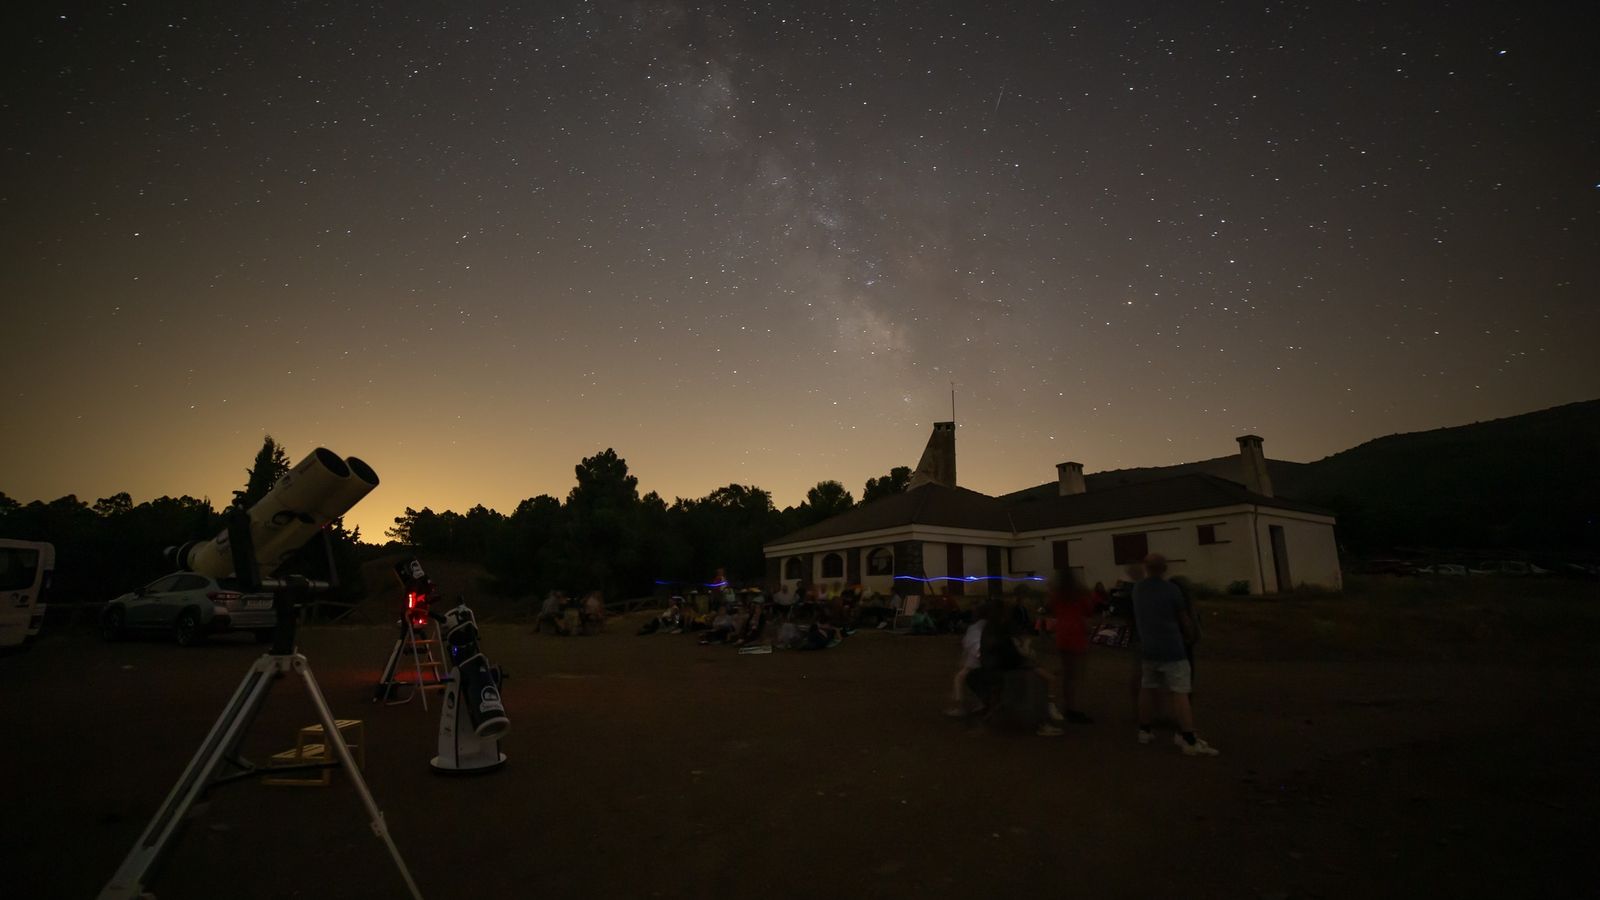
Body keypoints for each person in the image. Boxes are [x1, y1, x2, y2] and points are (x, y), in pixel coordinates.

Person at [1132, 554, 1218, 756]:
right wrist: (1190, 636)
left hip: (1148, 648)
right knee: (1180, 692)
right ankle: (1188, 738)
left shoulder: (1138, 590)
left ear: (1146, 567)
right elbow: (1184, 619)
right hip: (1171, 648)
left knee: (1147, 687)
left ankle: (1144, 730)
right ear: (1164, 568)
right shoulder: (1171, 591)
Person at [967, 598, 1062, 737]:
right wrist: (1026, 657)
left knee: (1037, 673)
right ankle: (1043, 722)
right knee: (1038, 681)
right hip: (1002, 671)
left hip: (992, 669)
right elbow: (1010, 656)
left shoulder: (990, 629)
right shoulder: (999, 630)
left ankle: (1042, 717)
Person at [1048, 569, 1098, 724]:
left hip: (1062, 633)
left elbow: (1051, 608)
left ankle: (1069, 706)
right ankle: (1074, 708)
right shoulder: (1079, 594)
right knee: (1077, 674)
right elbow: (1089, 610)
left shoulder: (1056, 595)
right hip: (1076, 633)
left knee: (1068, 674)